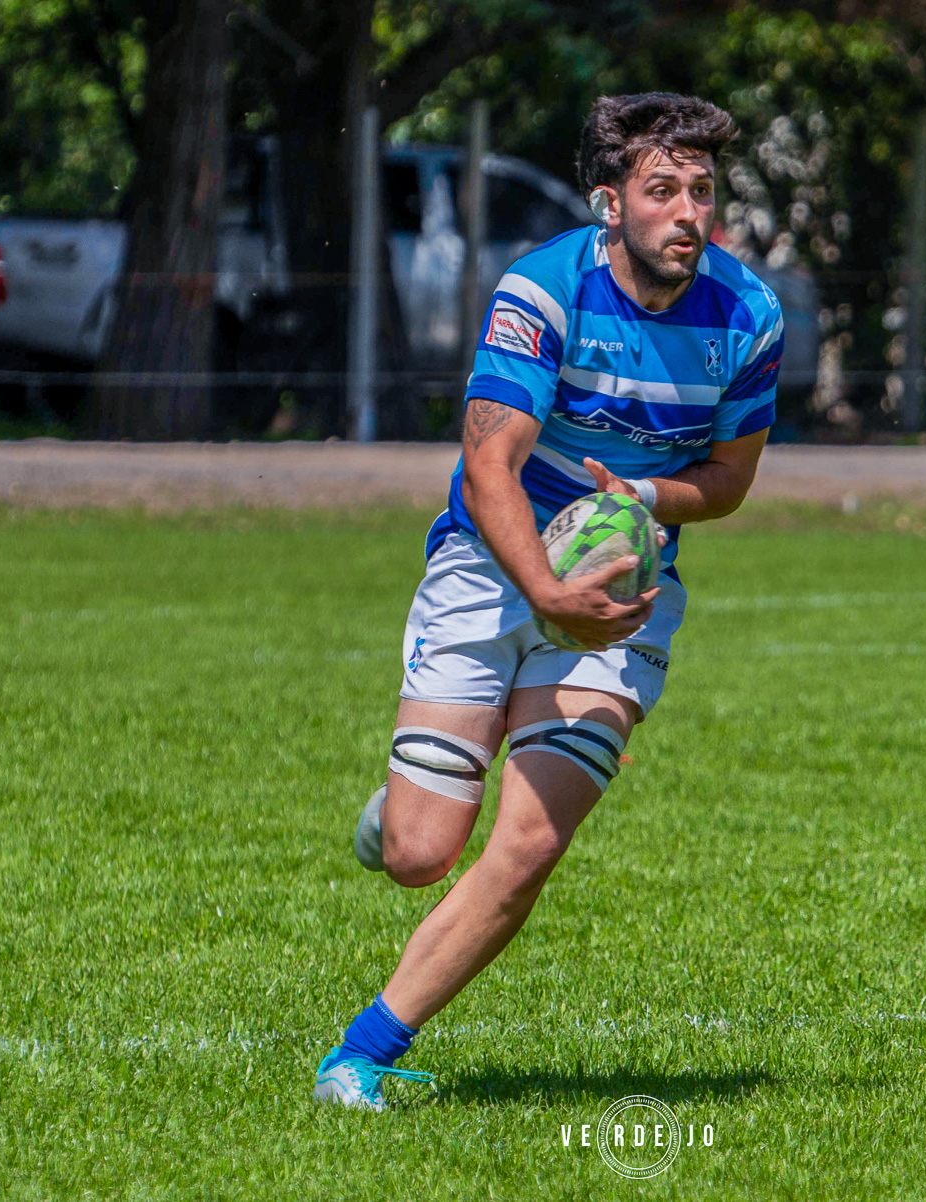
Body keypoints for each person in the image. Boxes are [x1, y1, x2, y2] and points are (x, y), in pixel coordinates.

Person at [313, 93, 782, 1111]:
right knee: (420, 854)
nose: (688, 211)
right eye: (663, 190)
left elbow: (732, 478)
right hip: (492, 568)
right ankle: (401, 810)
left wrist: (645, 502)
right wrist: (545, 588)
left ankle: (361, 1054)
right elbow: (491, 464)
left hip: (622, 594)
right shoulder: (542, 291)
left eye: (702, 190)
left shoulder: (749, 316)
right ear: (609, 204)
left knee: (527, 842)